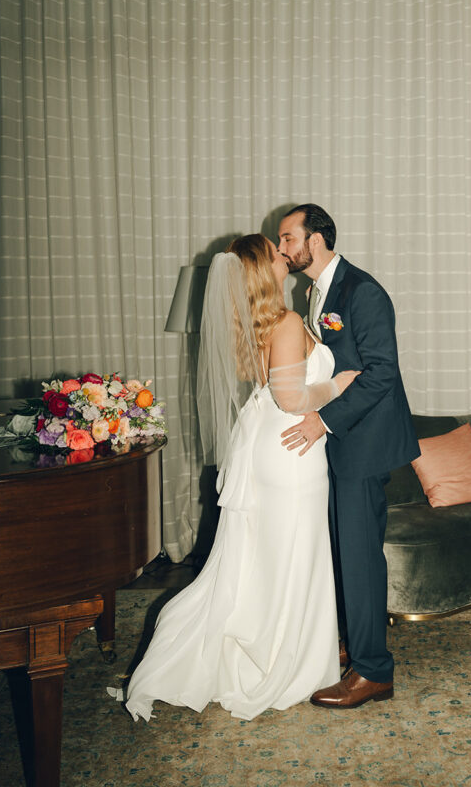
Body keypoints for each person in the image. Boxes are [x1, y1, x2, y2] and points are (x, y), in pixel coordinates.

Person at [113, 233, 359, 722]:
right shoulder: (285, 322)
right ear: (263, 267)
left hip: (269, 443)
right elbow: (292, 399)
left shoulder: (257, 322)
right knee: (292, 554)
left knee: (270, 556)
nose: (285, 253)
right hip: (292, 447)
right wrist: (342, 383)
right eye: (276, 249)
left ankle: (282, 650)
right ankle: (285, 664)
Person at [278, 204, 421, 709]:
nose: (282, 248)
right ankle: (354, 643)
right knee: (342, 549)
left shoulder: (364, 291)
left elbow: (382, 373)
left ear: (315, 238)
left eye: (288, 237)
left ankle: (374, 671)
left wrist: (323, 420)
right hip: (341, 440)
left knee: (359, 557)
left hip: (365, 440)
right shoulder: (314, 292)